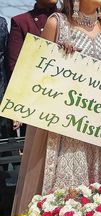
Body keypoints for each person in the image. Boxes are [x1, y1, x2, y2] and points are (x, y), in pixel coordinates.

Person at [12, 0, 101, 216]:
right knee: (71, 204)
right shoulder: (57, 23)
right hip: (69, 133)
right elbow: (39, 71)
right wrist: (61, 58)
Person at [7, 0, 58, 137]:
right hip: (34, 105)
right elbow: (15, 68)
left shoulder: (71, 20)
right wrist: (16, 105)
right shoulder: (21, 21)